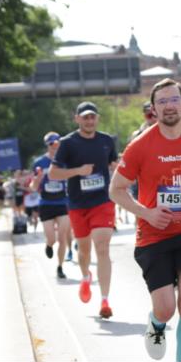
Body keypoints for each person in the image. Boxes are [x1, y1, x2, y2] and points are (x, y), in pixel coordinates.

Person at [111, 79, 181, 362]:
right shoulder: (141, 145)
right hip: (153, 236)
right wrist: (147, 212)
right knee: (167, 307)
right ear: (154, 109)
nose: (169, 105)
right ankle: (156, 323)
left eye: (174, 100)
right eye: (162, 101)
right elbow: (115, 190)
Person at [49, 101, 120, 316]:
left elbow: (114, 165)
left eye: (92, 117)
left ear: (97, 118)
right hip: (78, 204)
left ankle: (105, 301)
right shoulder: (68, 143)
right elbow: (53, 174)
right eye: (85, 117)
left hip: (102, 201)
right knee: (84, 250)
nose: (89, 120)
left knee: (102, 248)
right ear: (77, 119)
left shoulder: (106, 140)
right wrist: (78, 171)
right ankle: (86, 276)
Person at [31, 132, 72, 279]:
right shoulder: (39, 162)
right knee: (52, 239)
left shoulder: (66, 160)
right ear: (47, 145)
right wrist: (38, 179)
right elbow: (33, 187)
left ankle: (60, 267)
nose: (55, 146)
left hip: (62, 202)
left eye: (57, 144)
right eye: (52, 144)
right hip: (46, 203)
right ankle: (48, 245)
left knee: (62, 237)